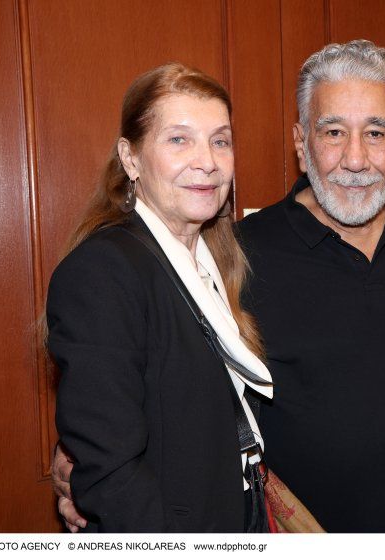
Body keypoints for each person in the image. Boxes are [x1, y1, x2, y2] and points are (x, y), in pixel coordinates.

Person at [54, 41, 385, 533]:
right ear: (301, 143)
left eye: (376, 132)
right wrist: (80, 452)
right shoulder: (245, 251)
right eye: (333, 132)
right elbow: (118, 395)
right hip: (280, 529)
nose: (356, 158)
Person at [47, 63, 273, 532]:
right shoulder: (102, 271)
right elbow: (111, 470)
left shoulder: (217, 260)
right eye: (179, 139)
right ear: (130, 159)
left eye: (220, 141)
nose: (207, 161)